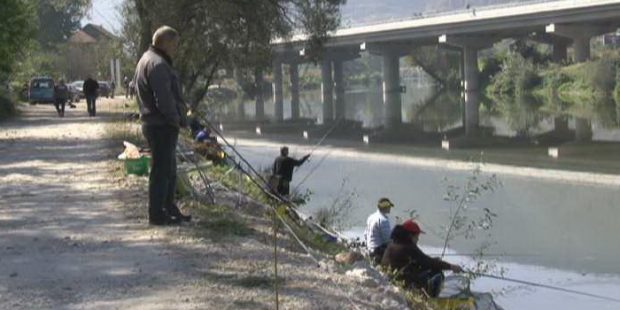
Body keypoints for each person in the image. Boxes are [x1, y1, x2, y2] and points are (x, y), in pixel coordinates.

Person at [134, 25, 190, 226]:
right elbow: (164, 100)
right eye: (174, 44)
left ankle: (169, 207)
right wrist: (177, 120)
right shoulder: (157, 64)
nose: (176, 49)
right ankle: (157, 214)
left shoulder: (147, 59)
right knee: (161, 171)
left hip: (156, 124)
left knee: (169, 169)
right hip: (161, 125)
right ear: (165, 43)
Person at [381, 219, 463, 297]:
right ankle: (429, 299)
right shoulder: (408, 247)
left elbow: (421, 260)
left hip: (390, 279)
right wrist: (451, 266)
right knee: (437, 273)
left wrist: (434, 261)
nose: (418, 239)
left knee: (430, 266)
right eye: (417, 236)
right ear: (410, 235)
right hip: (403, 282)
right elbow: (428, 262)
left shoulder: (392, 244)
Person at [365, 197, 394, 264]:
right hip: (377, 251)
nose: (390, 208)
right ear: (385, 207)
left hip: (370, 248)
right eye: (389, 206)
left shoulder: (371, 217)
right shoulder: (383, 220)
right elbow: (387, 240)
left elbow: (365, 234)